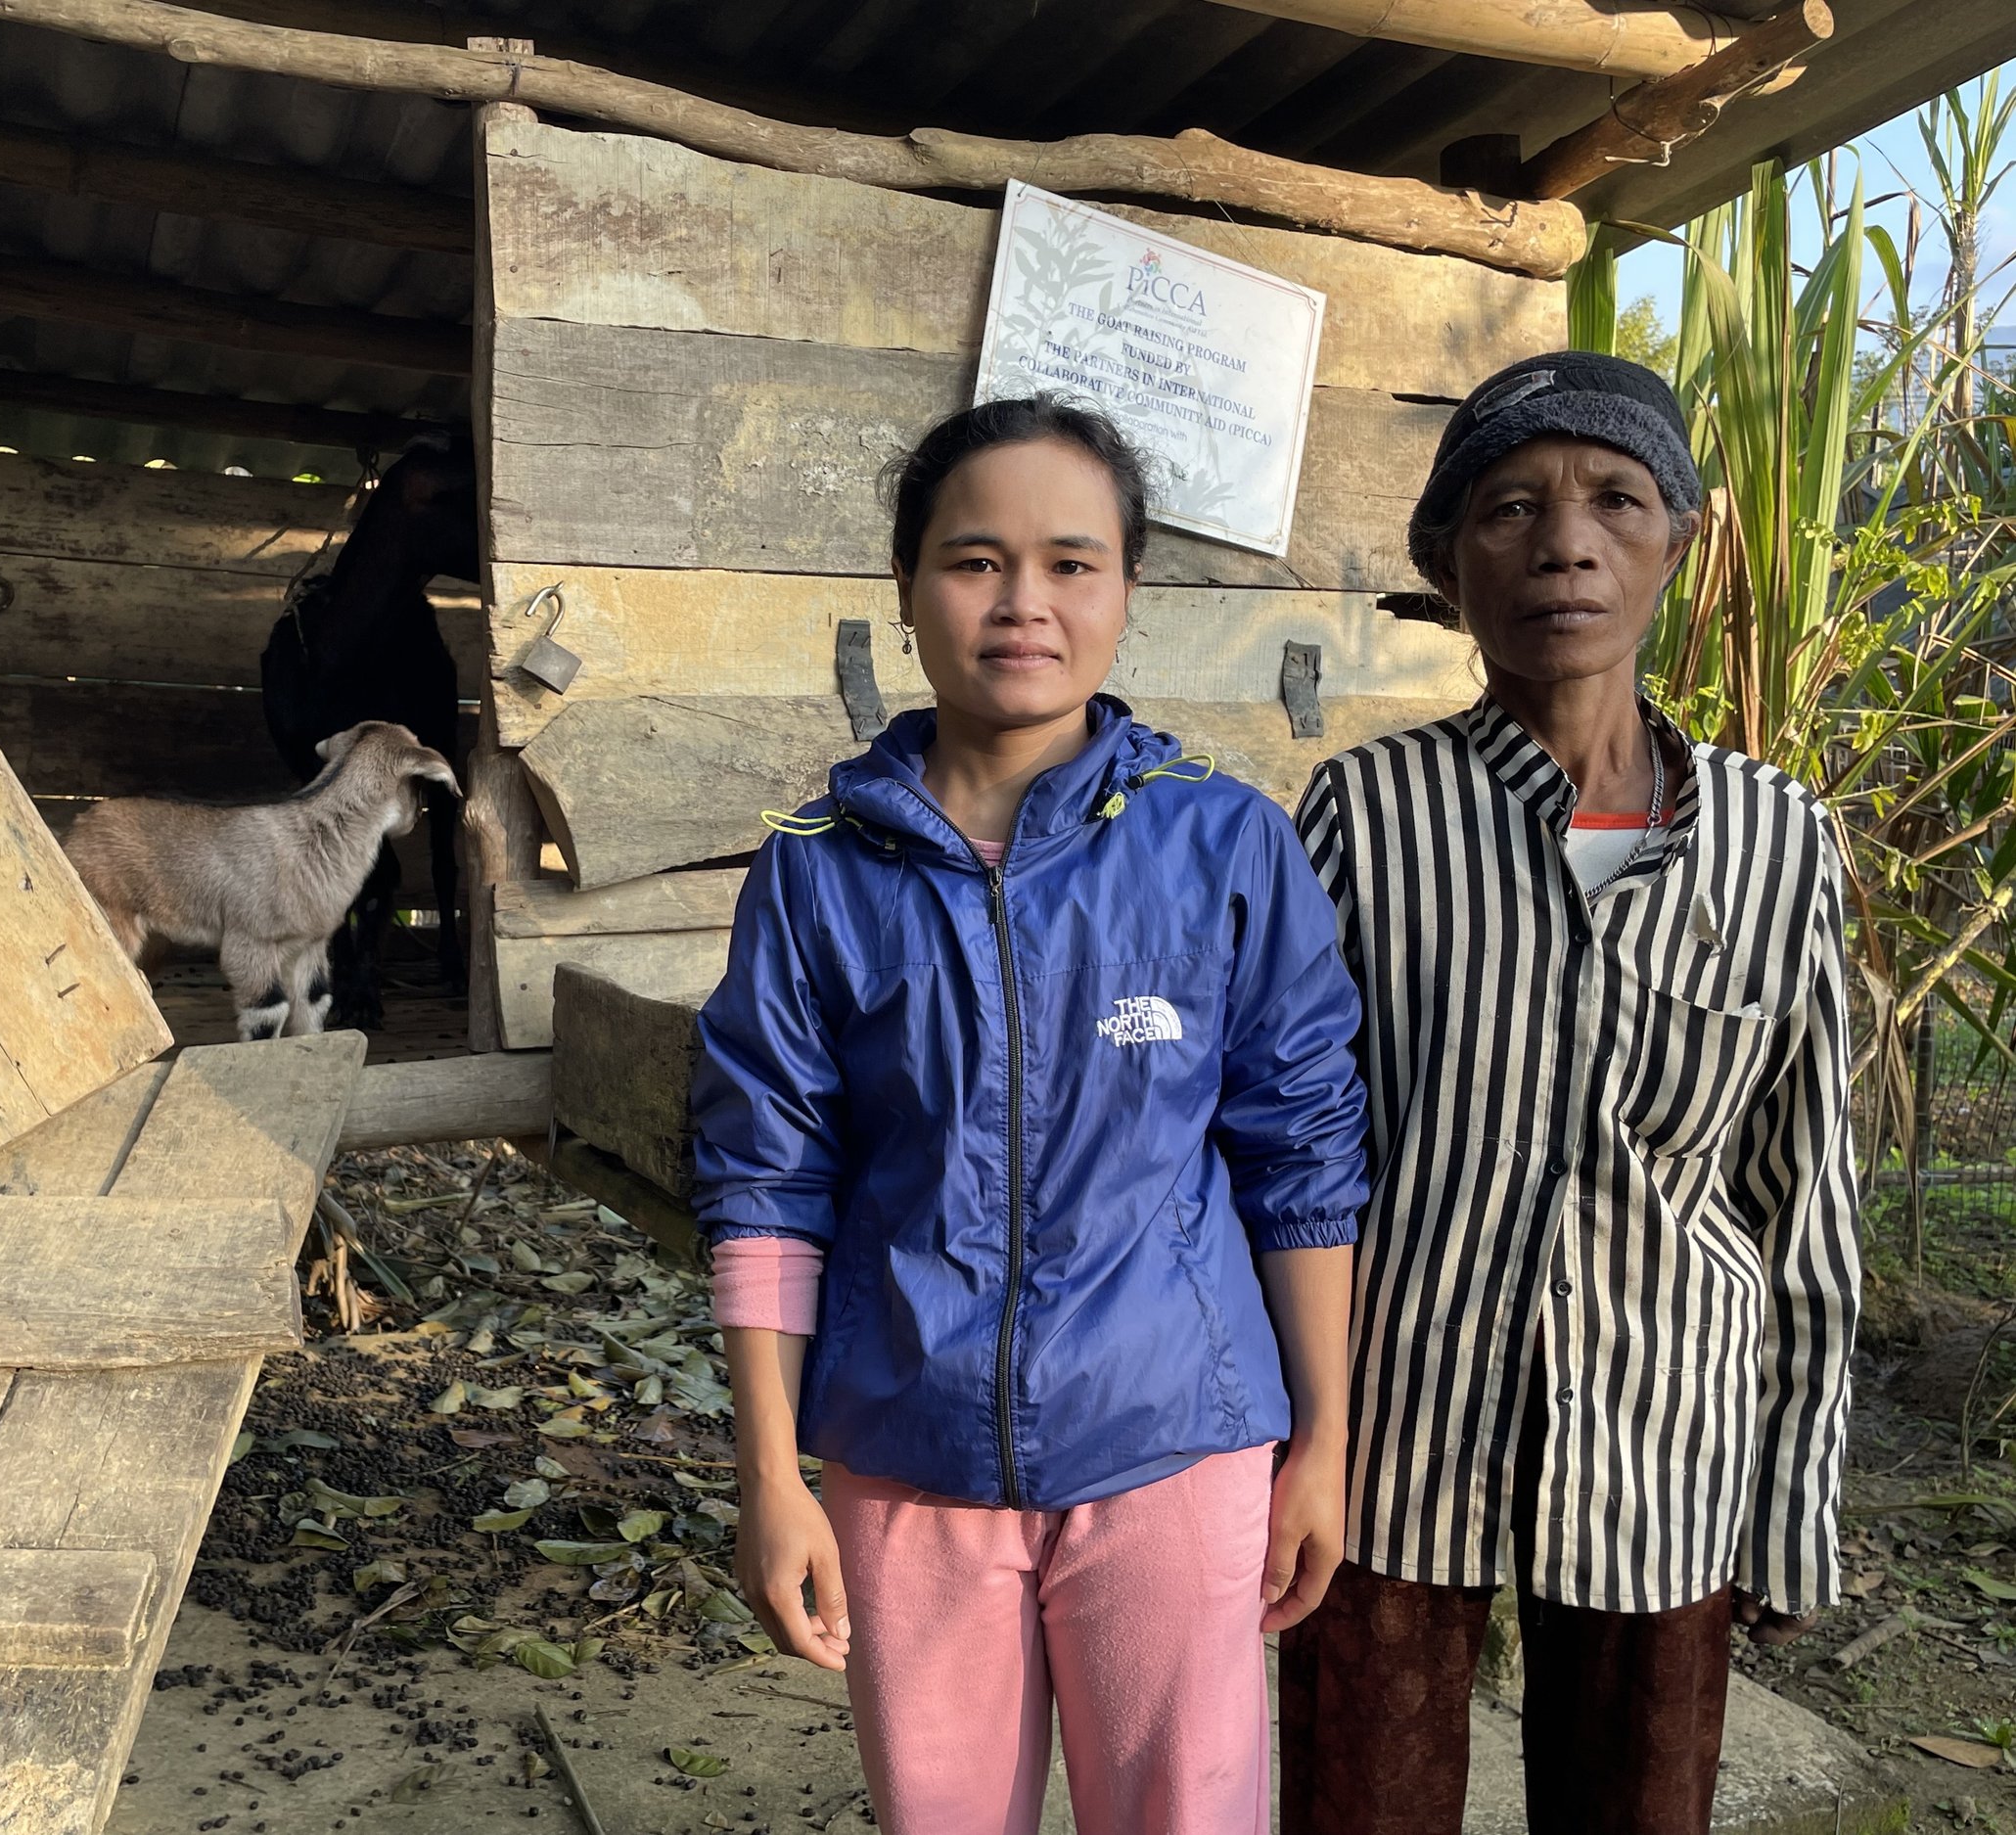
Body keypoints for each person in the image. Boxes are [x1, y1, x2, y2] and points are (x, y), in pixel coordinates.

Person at [691, 395, 1369, 1835]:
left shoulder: (1222, 840)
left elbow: (1302, 1157)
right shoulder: (818, 872)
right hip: (905, 1457)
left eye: (1072, 562)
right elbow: (765, 1182)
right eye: (974, 558)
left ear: (1126, 591)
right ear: (906, 583)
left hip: (1175, 1446)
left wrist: (1323, 1441)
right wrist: (770, 1478)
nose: (1024, 604)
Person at [1282, 351, 1861, 1835]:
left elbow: (1804, 1192)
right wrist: (1285, 1441)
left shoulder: (1774, 841)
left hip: (1668, 1437)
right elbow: (1292, 1145)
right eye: (1509, 508)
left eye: (1615, 499)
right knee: (1362, 1805)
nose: (1564, 544)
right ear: (1446, 562)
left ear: (1681, 537)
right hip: (1400, 1437)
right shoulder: (1370, 812)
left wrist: (1788, 1509)